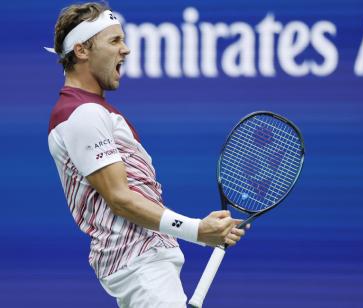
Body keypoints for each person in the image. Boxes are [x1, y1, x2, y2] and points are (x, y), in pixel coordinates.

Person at [46, 3, 247, 307]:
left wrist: (201, 231)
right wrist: (198, 231)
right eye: (114, 41)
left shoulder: (91, 111)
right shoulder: (81, 113)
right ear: (82, 50)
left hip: (146, 263)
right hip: (140, 266)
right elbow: (120, 198)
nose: (125, 50)